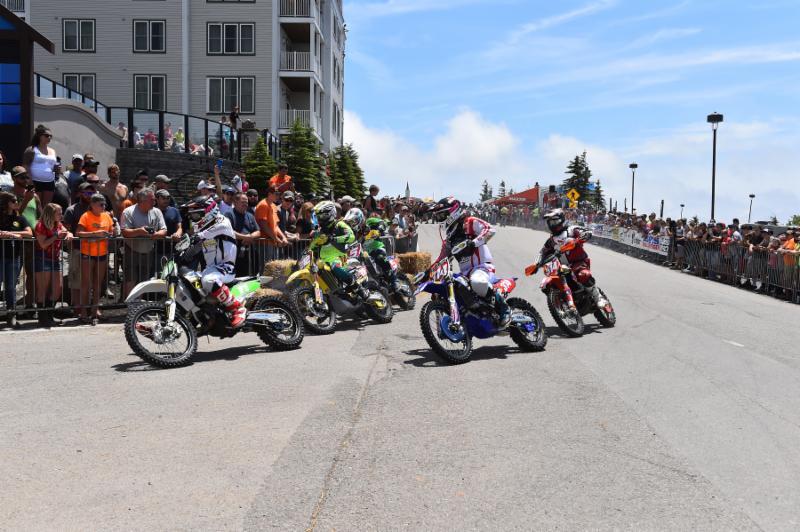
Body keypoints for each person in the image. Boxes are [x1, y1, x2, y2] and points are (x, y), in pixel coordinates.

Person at [429, 197, 510, 327]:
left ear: (453, 211)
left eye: (442, 215)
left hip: (482, 267)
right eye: (438, 216)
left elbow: (490, 229)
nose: (440, 219)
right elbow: (441, 259)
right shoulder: (449, 238)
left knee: (477, 281)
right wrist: (427, 273)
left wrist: (473, 243)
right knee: (450, 287)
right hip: (465, 273)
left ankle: (504, 308)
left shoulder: (469, 222)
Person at [182, 196, 246, 327]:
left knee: (208, 280)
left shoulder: (223, 222)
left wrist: (194, 237)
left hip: (225, 267)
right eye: (192, 215)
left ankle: (237, 308)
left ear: (208, 211)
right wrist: (183, 253)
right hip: (211, 269)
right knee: (190, 281)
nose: (195, 218)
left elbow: (204, 235)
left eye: (197, 214)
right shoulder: (203, 228)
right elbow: (196, 245)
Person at [538, 208, 609, 311]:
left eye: (555, 221)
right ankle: (562, 304)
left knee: (583, 275)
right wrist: (536, 263)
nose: (552, 224)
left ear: (561, 220)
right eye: (550, 222)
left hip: (578, 262)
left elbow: (586, 231)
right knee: (551, 282)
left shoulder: (571, 230)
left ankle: (599, 298)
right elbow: (542, 252)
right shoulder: (551, 241)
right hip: (563, 267)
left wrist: (583, 236)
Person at [76, 194, 117, 325]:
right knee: (86, 283)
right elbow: (79, 233)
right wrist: (95, 234)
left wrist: (114, 231)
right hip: (87, 253)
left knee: (97, 284)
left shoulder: (107, 216)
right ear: (93, 205)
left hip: (102, 253)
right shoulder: (86, 216)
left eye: (104, 204)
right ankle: (83, 312)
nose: (103, 207)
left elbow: (112, 231)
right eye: (101, 204)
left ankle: (95, 312)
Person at [309, 200, 363, 297]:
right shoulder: (320, 232)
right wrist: (307, 252)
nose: (319, 219)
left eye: (320, 216)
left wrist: (333, 238)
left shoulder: (339, 224)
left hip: (339, 257)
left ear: (329, 214)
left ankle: (357, 287)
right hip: (323, 261)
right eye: (317, 217)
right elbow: (312, 246)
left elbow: (351, 237)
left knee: (334, 266)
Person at [121, 188, 167, 297]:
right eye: (152, 200)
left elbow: (164, 230)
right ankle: (130, 305)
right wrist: (139, 231)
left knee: (143, 281)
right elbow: (124, 232)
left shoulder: (157, 211)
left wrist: (155, 235)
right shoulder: (128, 212)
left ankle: (139, 306)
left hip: (148, 251)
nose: (155, 202)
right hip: (131, 250)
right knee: (130, 279)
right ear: (143, 200)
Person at [34, 203, 72, 326]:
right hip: (42, 258)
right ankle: (43, 318)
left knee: (57, 289)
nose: (61, 215)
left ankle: (49, 314)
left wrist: (69, 234)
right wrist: (56, 236)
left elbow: (66, 231)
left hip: (55, 258)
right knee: (43, 290)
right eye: (59, 213)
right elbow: (43, 244)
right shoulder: (41, 225)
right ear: (51, 214)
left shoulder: (58, 224)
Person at [0, 191, 33, 327]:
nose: (17, 203)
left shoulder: (19, 218)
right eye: (14, 201)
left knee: (11, 286)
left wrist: (11, 234)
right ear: (6, 203)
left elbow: (29, 233)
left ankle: (11, 314)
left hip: (14, 257)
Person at [360, 213, 400, 291]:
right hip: (365, 252)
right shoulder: (355, 228)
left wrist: (379, 230)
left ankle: (394, 281)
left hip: (377, 248)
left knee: (380, 258)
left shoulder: (370, 221)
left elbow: (383, 222)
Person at [22, 125, 58, 207]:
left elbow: (53, 167)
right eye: (46, 135)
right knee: (36, 206)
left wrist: (56, 169)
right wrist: (30, 182)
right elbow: (25, 166)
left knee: (46, 207)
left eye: (50, 136)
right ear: (39, 136)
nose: (49, 137)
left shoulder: (53, 151)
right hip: (35, 182)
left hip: (49, 182)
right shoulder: (31, 149)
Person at [225, 192, 260, 275]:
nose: (245, 204)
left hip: (250, 252)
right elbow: (228, 231)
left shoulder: (250, 215)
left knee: (252, 275)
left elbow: (258, 231)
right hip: (234, 253)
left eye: (246, 202)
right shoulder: (229, 214)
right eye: (243, 202)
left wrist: (250, 237)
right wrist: (245, 237)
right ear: (235, 202)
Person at [254, 186, 289, 260]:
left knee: (273, 266)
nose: (278, 196)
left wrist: (283, 237)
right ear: (269, 194)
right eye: (276, 194)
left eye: (279, 194)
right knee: (265, 266)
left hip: (273, 242)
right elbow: (263, 225)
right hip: (264, 243)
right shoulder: (263, 205)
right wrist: (276, 238)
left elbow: (276, 225)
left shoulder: (273, 206)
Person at [155, 189, 183, 259]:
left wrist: (177, 234)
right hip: (155, 250)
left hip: (172, 249)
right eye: (163, 198)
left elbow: (179, 227)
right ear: (157, 199)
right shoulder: (152, 211)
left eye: (168, 198)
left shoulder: (175, 211)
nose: (166, 200)